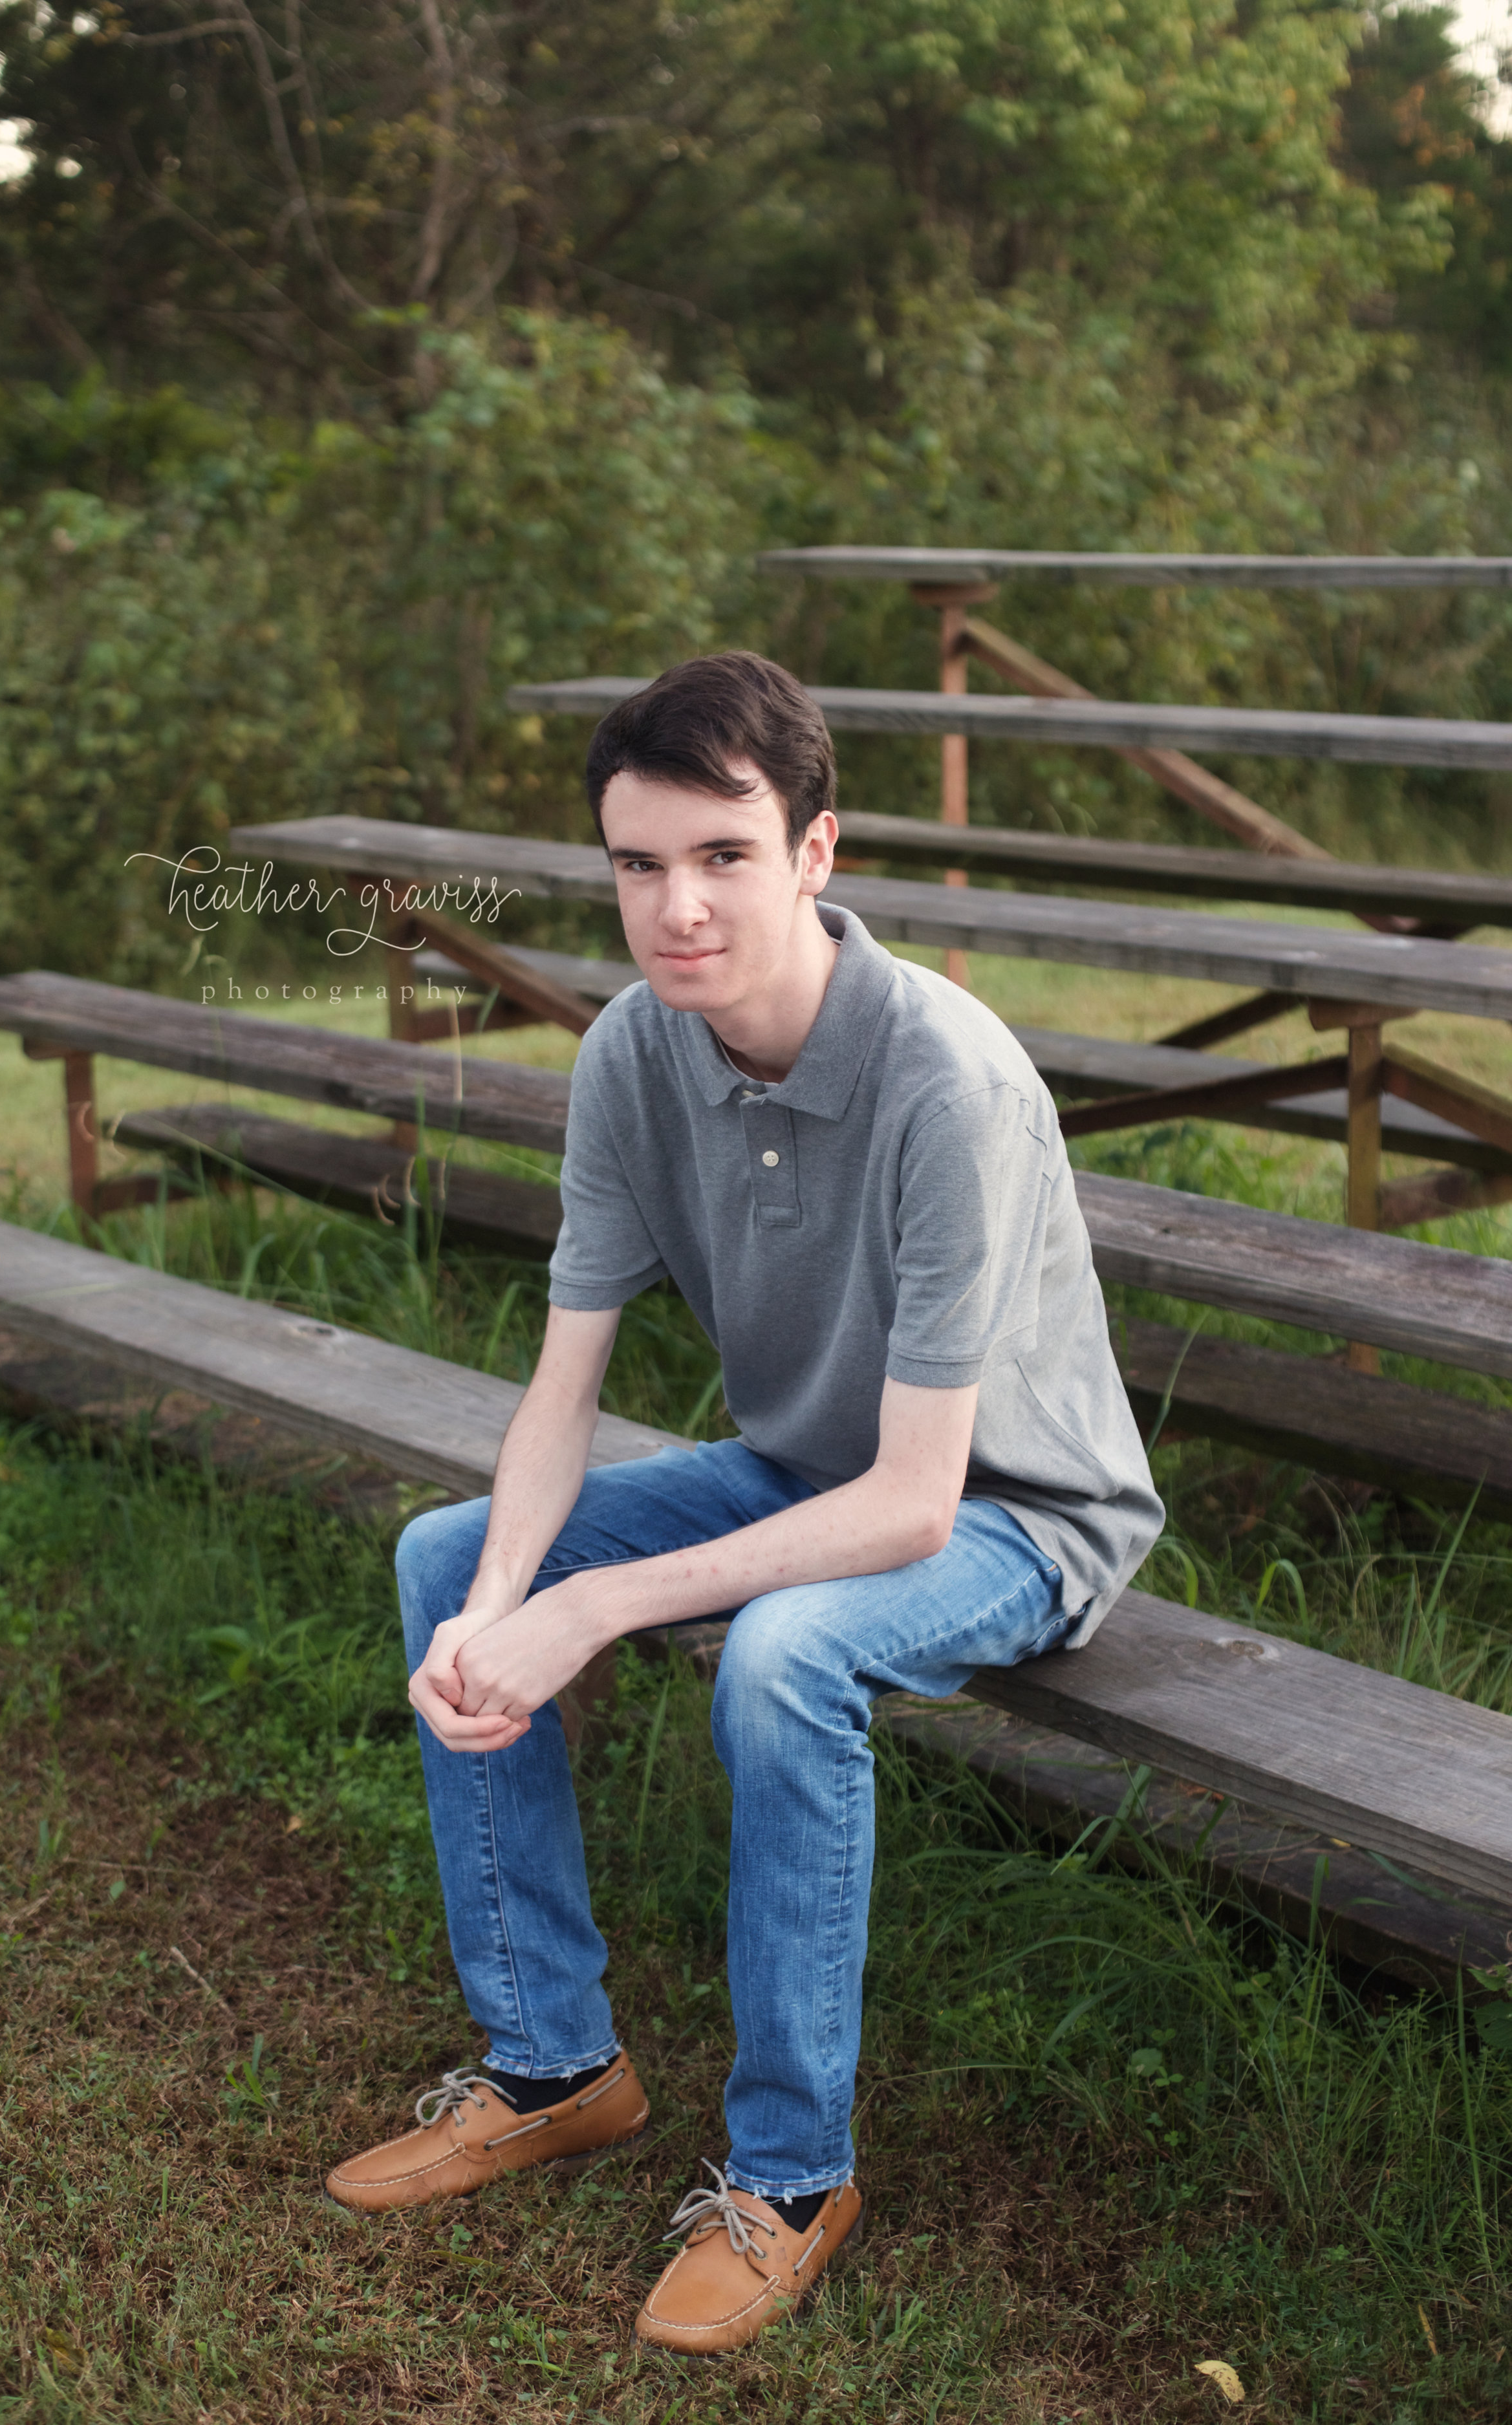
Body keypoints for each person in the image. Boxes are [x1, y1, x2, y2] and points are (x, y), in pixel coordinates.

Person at [325, 651, 1163, 2353]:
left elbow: (919, 1505)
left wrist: (598, 1601)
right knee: (446, 1557)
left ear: (815, 851)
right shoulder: (637, 1050)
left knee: (779, 1654)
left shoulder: (945, 1077)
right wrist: (506, 1602)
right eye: (639, 866)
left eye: (721, 855)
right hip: (801, 1466)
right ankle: (553, 2063)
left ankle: (788, 2179)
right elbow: (560, 1394)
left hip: (1016, 1511)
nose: (676, 907)